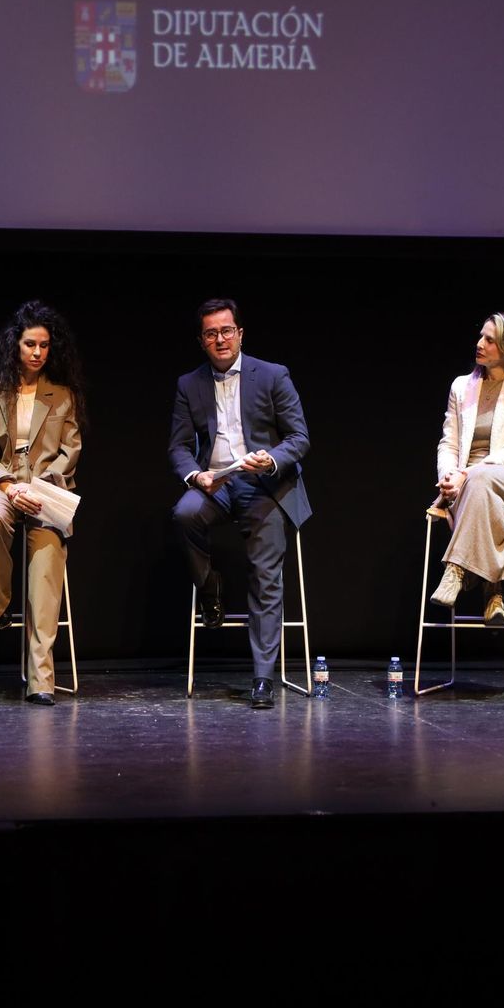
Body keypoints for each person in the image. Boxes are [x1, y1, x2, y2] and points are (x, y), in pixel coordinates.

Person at [170, 298, 311, 710]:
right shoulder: (188, 384)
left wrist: (270, 459)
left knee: (265, 573)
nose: (220, 339)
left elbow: (299, 438)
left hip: (263, 484)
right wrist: (196, 476)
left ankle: (264, 677)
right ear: (202, 340)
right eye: (211, 333)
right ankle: (210, 586)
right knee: (184, 513)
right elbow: (177, 447)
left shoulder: (272, 375)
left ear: (240, 333)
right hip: (216, 483)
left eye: (226, 330)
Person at [0, 301, 85, 706]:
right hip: (1, 488)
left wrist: (39, 487)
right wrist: (10, 487)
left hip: (46, 491)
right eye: (30, 344)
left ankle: (41, 679)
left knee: (48, 563)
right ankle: (0, 606)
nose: (37, 352)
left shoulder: (63, 396)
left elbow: (70, 452)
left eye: (44, 346)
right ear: (14, 346)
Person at [429, 313, 504, 626]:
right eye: (481, 336)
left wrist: (468, 474)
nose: (480, 344)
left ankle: (457, 570)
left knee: (481, 478)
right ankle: (493, 593)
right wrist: (449, 475)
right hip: (470, 485)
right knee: (480, 488)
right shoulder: (461, 387)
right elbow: (449, 443)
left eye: (490, 340)